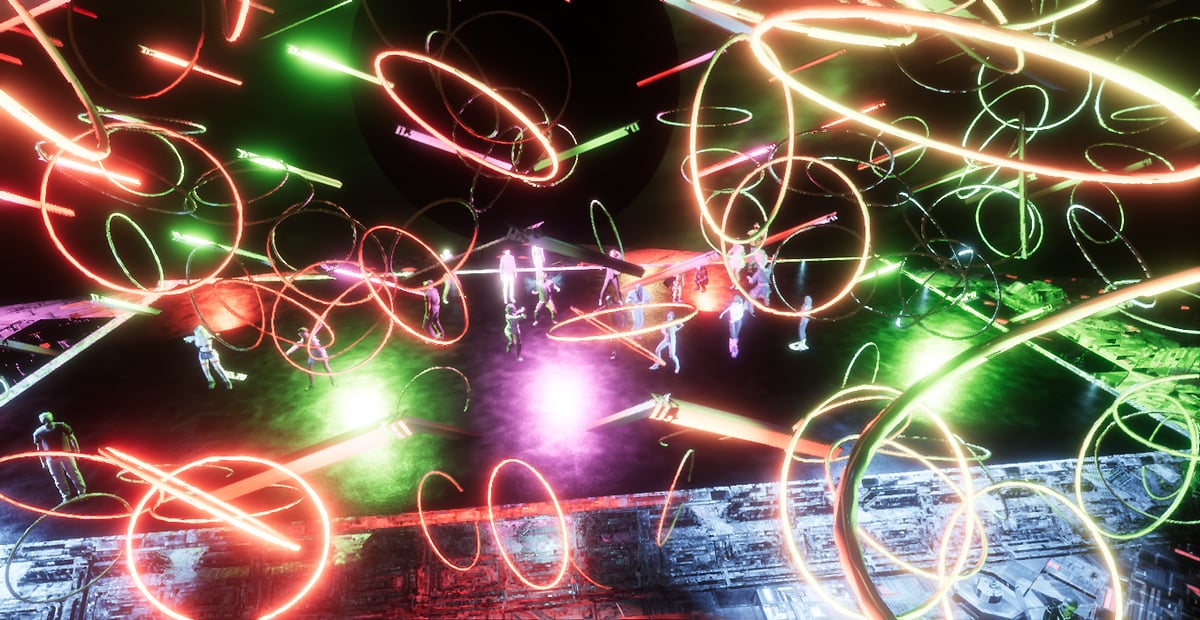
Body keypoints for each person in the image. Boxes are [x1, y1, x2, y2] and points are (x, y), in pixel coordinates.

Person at [33, 411, 86, 502]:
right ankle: (66, 496)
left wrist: (77, 451)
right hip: (51, 458)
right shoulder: (38, 432)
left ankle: (82, 492)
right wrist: (43, 461)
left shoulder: (61, 426)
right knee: (58, 478)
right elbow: (39, 448)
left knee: (74, 474)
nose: (48, 424)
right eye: (45, 422)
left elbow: (72, 438)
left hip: (66, 455)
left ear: (52, 419)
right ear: (42, 422)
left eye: (49, 421)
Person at [183, 323, 232, 390]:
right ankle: (211, 381)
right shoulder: (196, 337)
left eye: (200, 331)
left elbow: (216, 335)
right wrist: (187, 339)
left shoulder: (208, 335)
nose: (199, 333)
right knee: (205, 370)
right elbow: (187, 339)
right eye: (198, 332)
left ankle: (227, 381)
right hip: (202, 354)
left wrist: (216, 335)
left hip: (211, 353)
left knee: (218, 368)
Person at [285, 326, 336, 390]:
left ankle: (333, 381)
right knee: (309, 369)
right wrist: (287, 352)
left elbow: (318, 327)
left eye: (302, 333)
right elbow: (295, 346)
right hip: (312, 353)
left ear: (306, 332)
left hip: (320, 352)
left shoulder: (312, 335)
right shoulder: (302, 341)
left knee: (326, 367)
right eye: (300, 334)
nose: (302, 335)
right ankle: (311, 385)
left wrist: (321, 321)